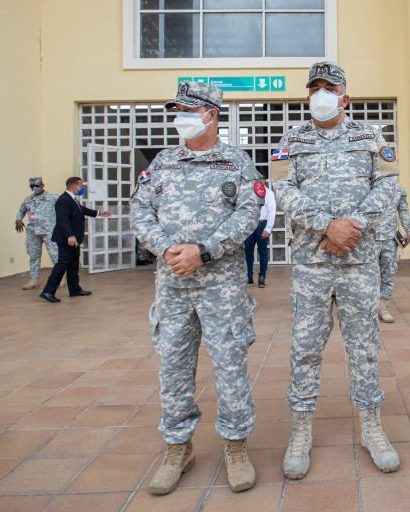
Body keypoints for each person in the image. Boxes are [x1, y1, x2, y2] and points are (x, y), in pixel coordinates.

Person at [131, 81, 263, 495]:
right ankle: (178, 447)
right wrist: (165, 247)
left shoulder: (236, 162)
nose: (181, 117)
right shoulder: (162, 162)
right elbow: (140, 210)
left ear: (211, 115)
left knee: (230, 367)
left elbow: (249, 214)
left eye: (189, 110)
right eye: (178, 110)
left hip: (221, 287)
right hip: (172, 285)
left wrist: (204, 251)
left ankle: (236, 446)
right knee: (172, 368)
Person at [271, 61, 400, 479]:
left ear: (345, 96)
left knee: (364, 348)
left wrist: (351, 226)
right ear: (308, 95)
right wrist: (327, 226)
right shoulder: (291, 139)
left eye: (330, 87)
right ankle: (300, 431)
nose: (321, 94)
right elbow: (281, 187)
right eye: (315, 88)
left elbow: (389, 184)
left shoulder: (371, 136)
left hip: (358, 261)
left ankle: (372, 428)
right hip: (311, 263)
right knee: (305, 348)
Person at [38, 177, 110, 303]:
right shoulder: (63, 200)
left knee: (73, 264)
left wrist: (98, 213)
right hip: (67, 238)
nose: (82, 188)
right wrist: (70, 236)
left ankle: (74, 289)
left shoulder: (71, 199)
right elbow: (63, 219)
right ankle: (48, 291)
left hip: (74, 238)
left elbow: (81, 210)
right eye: (80, 186)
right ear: (74, 186)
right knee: (62, 263)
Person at [375, 175, 410, 322]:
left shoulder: (398, 188)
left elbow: (403, 210)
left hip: (390, 239)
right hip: (369, 239)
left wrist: (409, 231)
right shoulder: (368, 186)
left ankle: (383, 306)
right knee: (366, 274)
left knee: (388, 274)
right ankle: (367, 307)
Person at [15, 177, 61, 290]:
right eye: (32, 186)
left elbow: (63, 210)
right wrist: (18, 220)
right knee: (33, 255)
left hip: (49, 230)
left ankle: (60, 278)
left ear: (42, 185)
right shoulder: (28, 199)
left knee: (55, 255)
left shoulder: (53, 197)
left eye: (37, 185)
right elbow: (21, 210)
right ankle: (34, 279)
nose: (35, 188)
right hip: (33, 231)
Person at [244, 178, 276, 287]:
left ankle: (262, 277)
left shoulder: (268, 193)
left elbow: (272, 211)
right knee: (248, 252)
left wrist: (268, 229)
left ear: (264, 180)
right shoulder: (248, 191)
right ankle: (249, 276)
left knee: (262, 252)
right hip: (250, 224)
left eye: (260, 179)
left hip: (262, 224)